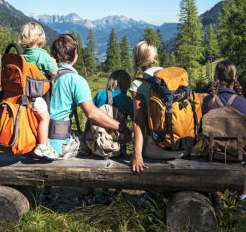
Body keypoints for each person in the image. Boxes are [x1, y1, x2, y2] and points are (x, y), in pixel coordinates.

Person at [41, 34, 132, 204]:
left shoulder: (44, 74)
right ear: (75, 54)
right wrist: (121, 128)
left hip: (37, 141)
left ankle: (46, 194)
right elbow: (93, 114)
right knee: (91, 145)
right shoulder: (76, 80)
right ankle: (87, 197)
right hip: (57, 146)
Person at [202, 60, 246, 214]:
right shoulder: (243, 102)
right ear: (235, 78)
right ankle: (242, 199)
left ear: (216, 78)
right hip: (236, 154)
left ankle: (217, 198)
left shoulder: (207, 101)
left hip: (213, 153)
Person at [130, 40, 189, 173]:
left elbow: (139, 121)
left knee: (146, 142)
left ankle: (150, 193)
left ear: (137, 59)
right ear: (155, 58)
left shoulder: (138, 84)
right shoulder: (171, 77)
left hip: (157, 150)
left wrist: (137, 155)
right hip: (183, 146)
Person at [87, 69, 134, 202]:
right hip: (117, 146)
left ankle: (88, 196)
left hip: (97, 142)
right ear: (126, 84)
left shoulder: (101, 95)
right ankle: (114, 194)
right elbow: (136, 120)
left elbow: (91, 115)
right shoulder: (127, 101)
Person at [20, 22, 59, 159]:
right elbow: (53, 71)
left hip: (25, 97)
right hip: (38, 96)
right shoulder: (42, 55)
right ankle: (43, 146)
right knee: (44, 119)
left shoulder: (23, 56)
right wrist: (53, 62)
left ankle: (36, 145)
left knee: (34, 121)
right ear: (40, 38)